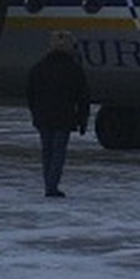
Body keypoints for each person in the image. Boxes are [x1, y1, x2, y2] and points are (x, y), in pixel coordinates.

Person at [26, 31, 91, 198]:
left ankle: (49, 184)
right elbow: (83, 97)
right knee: (58, 152)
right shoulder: (74, 69)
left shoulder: (39, 67)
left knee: (47, 151)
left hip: (43, 116)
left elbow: (30, 94)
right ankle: (51, 187)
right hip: (64, 117)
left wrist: (35, 113)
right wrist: (83, 120)